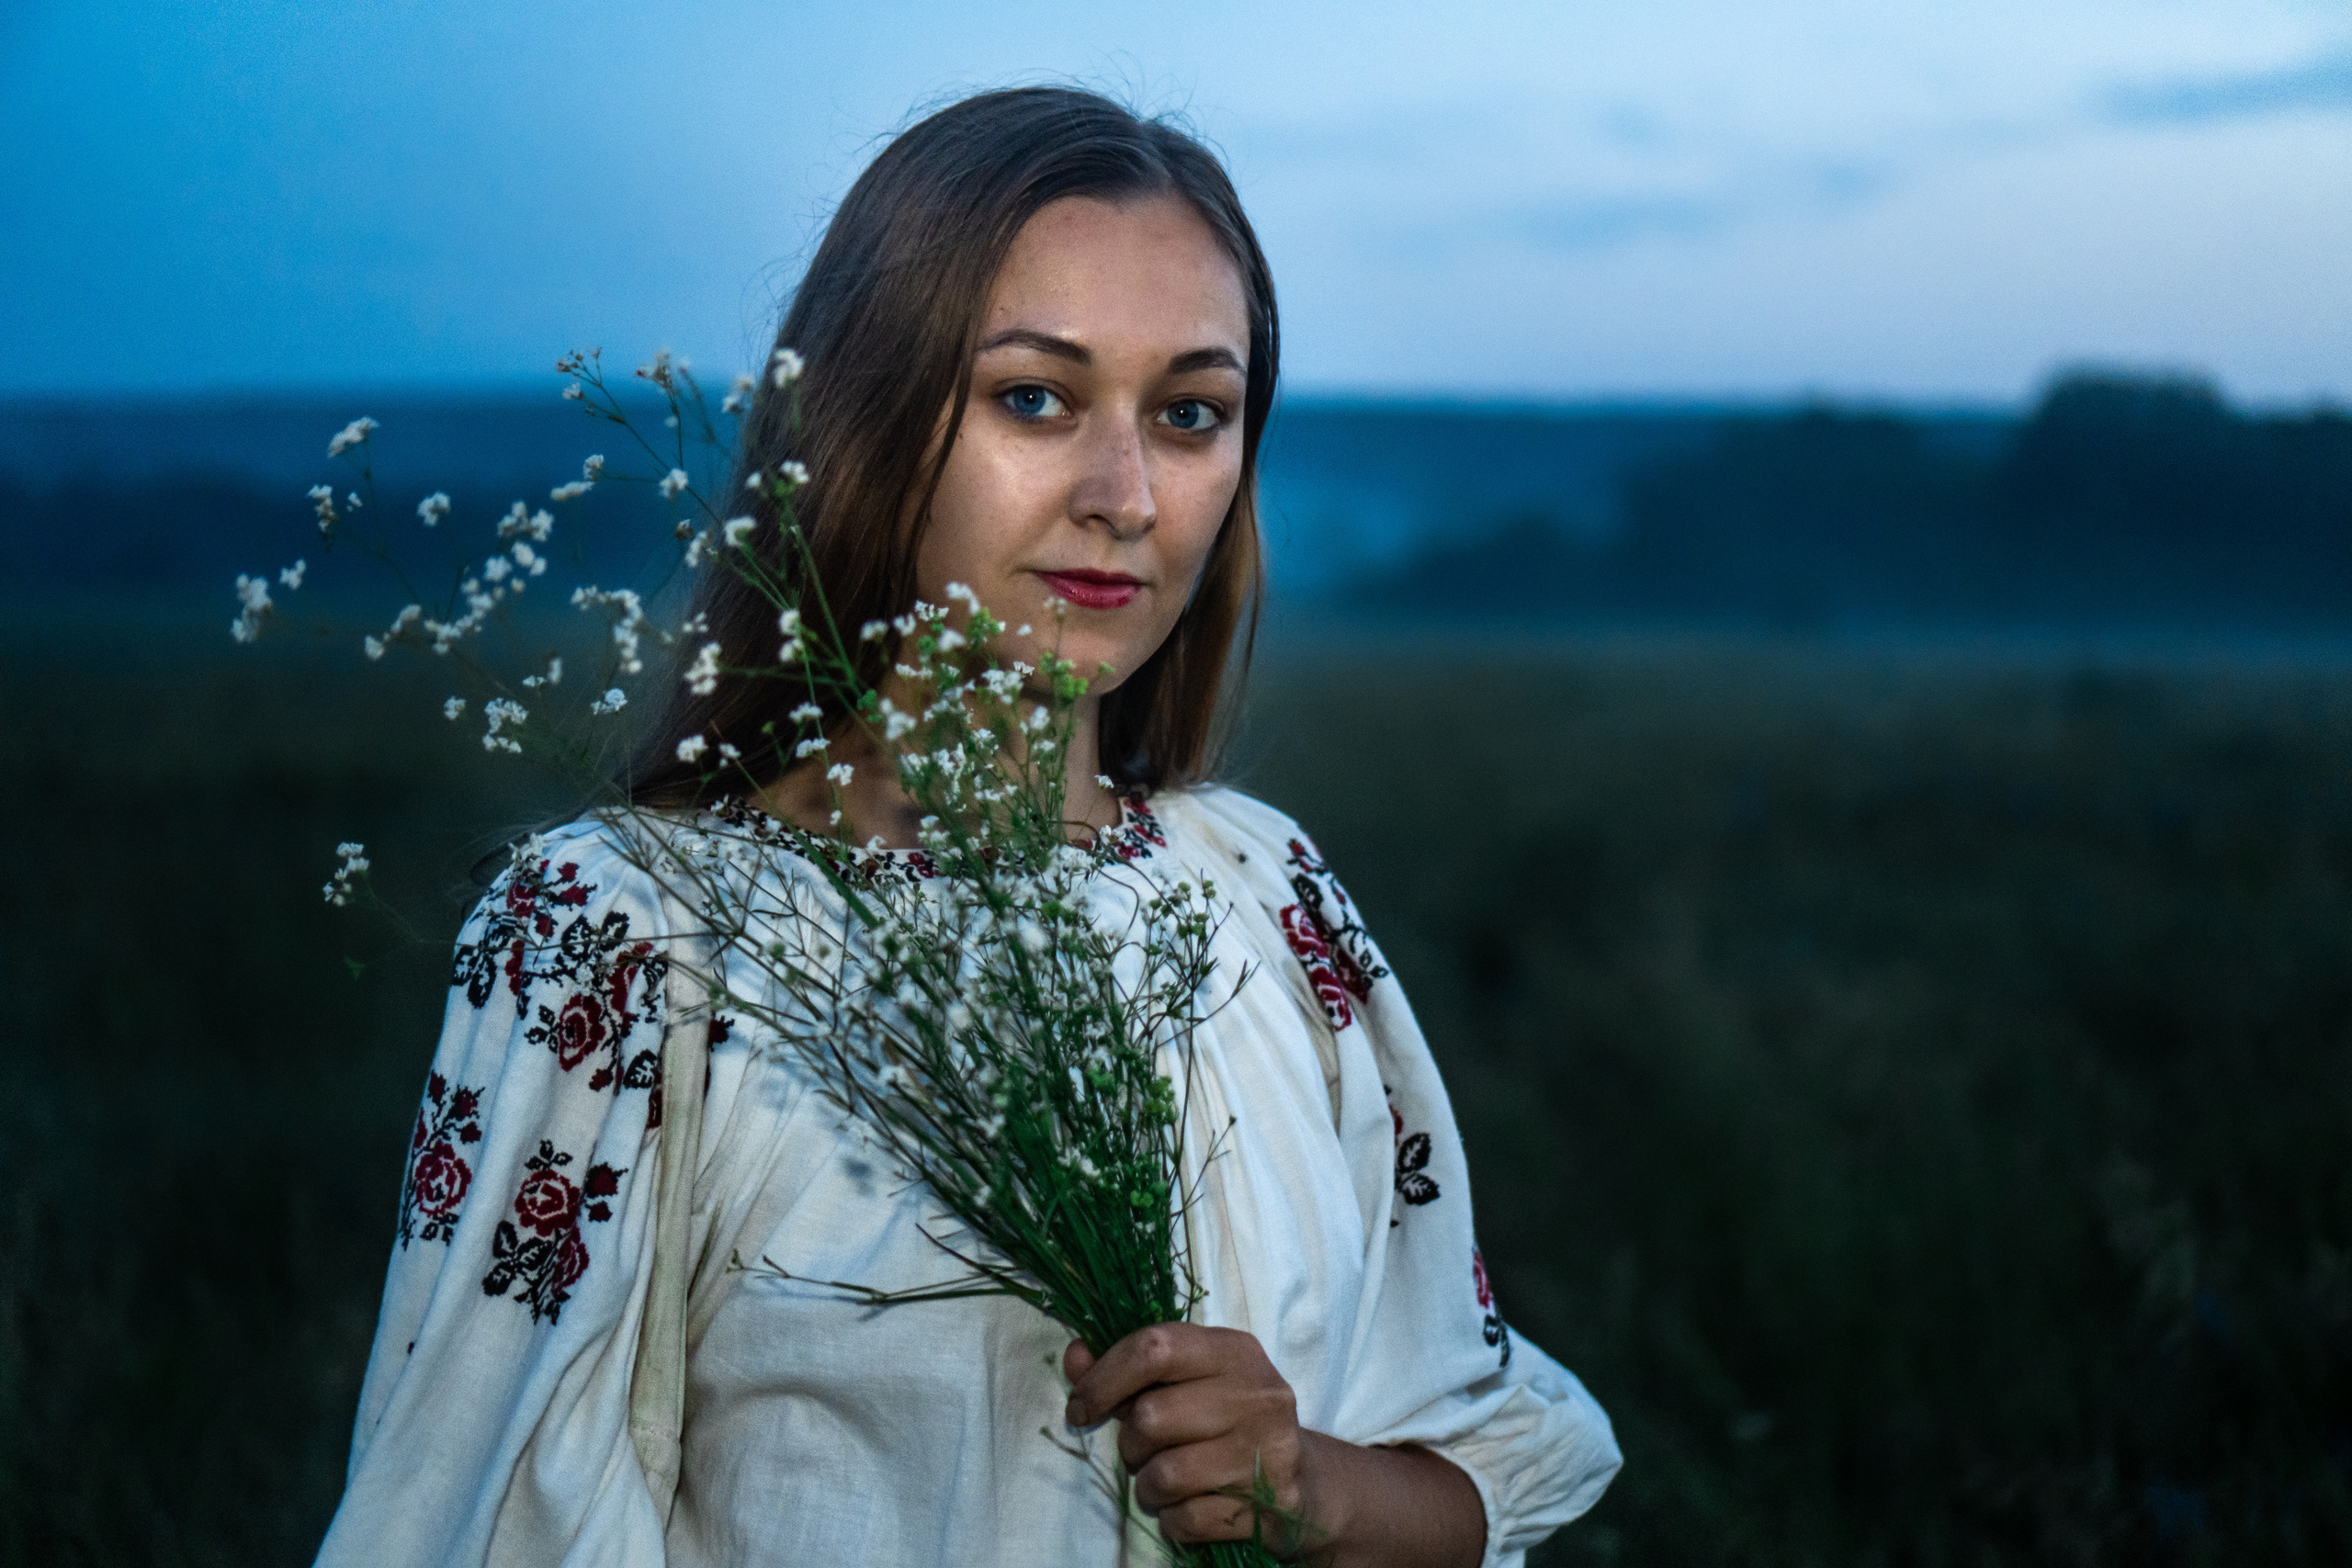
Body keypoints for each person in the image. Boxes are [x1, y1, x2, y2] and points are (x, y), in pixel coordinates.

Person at [315, 87, 1620, 1568]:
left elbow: (1476, 1465)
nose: (1125, 498)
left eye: (1190, 415)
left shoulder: (1261, 892)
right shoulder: (629, 936)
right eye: (1035, 399)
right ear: (867, 419)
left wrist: (1306, 1486)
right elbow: (468, 1526)